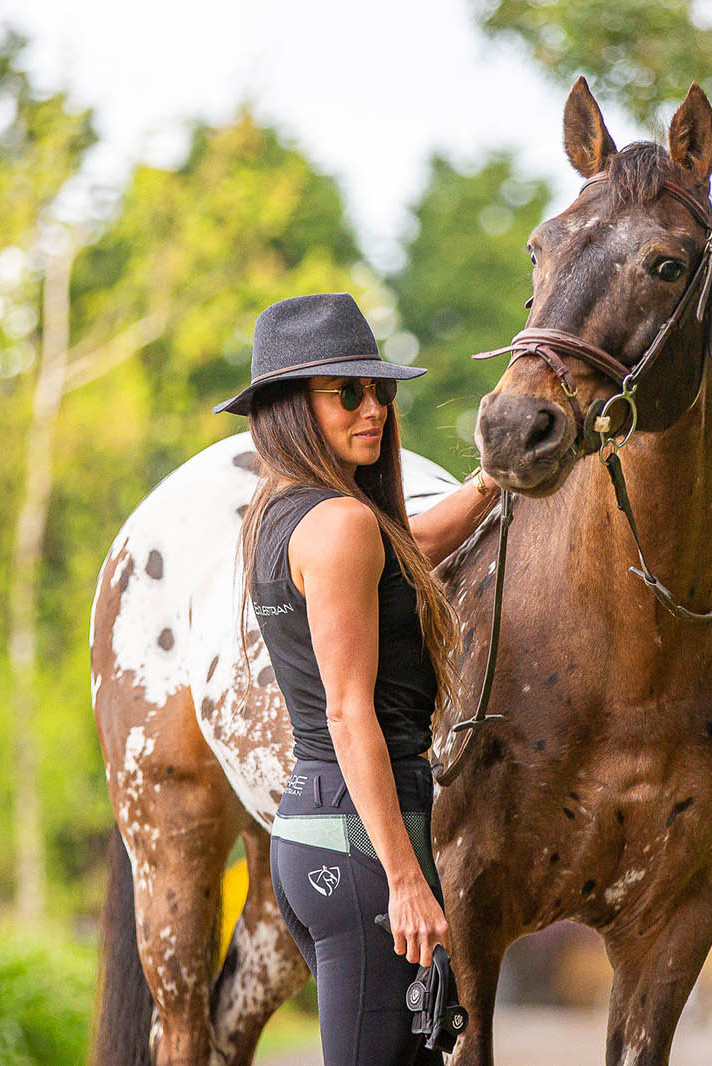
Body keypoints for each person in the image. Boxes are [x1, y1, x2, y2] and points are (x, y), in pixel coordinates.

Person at [218, 292, 500, 1065]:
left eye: (381, 390)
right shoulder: (340, 526)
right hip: (363, 848)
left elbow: (409, 547)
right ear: (289, 408)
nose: (372, 407)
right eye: (348, 392)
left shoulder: (286, 516)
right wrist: (406, 879)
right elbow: (349, 713)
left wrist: (493, 479)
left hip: (319, 835)